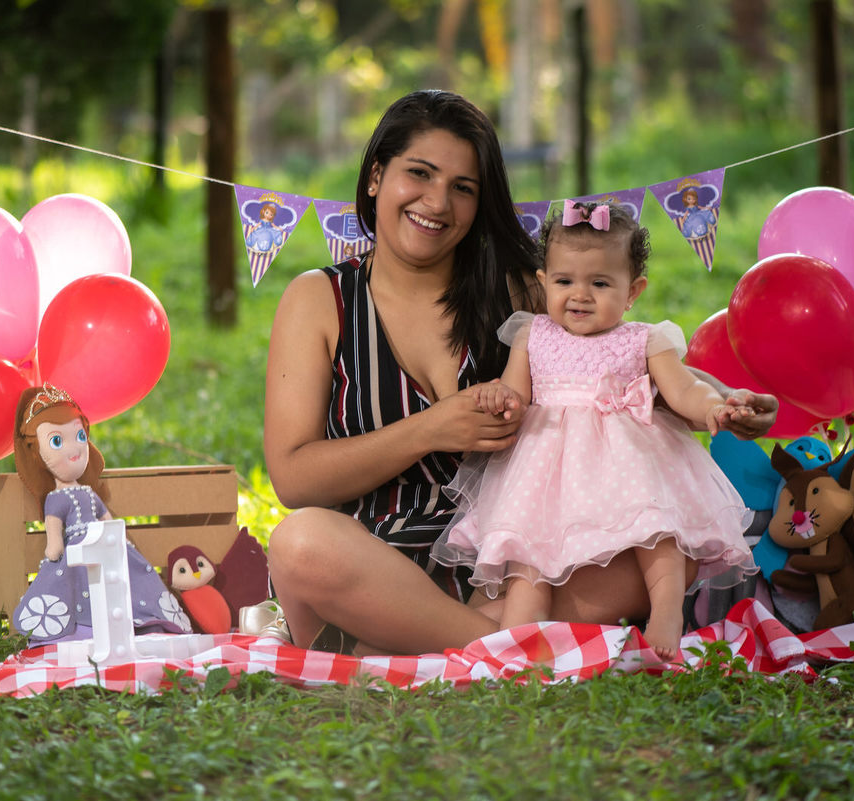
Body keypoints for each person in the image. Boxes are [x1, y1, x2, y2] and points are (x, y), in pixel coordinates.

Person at [264, 89, 777, 656]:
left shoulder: (521, 293)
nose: (437, 202)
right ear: (376, 176)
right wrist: (431, 429)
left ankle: (419, 645)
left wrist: (729, 404)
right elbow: (294, 479)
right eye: (420, 174)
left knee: (662, 546)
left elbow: (632, 370)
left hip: (511, 567)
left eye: (463, 188)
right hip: (368, 561)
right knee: (300, 543)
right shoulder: (321, 299)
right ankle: (506, 645)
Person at [429, 199, 758, 660]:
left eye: (600, 283)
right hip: (546, 472)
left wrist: (715, 408)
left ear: (632, 291)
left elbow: (683, 389)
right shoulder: (532, 334)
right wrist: (500, 398)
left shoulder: (645, 339)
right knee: (528, 562)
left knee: (657, 529)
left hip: (630, 461)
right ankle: (515, 648)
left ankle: (666, 613)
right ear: (543, 281)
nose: (580, 295)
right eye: (564, 281)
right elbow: (516, 392)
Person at [11, 383, 191, 644]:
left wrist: (118, 537)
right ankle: (84, 630)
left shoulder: (88, 493)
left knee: (127, 577)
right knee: (80, 586)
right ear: (38, 453)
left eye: (80, 436)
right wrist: (54, 546)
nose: (74, 448)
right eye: (57, 441)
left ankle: (143, 620)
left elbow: (106, 518)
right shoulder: (55, 499)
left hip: (105, 544)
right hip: (78, 551)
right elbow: (54, 532)